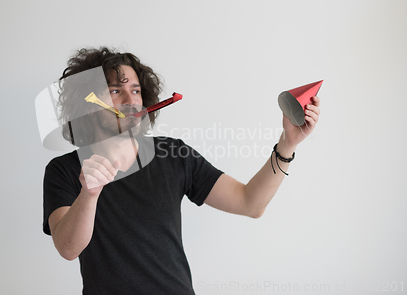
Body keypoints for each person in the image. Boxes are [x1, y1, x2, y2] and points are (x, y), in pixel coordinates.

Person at [42, 47, 321, 294]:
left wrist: (287, 143)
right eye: (116, 90)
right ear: (88, 103)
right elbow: (68, 248)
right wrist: (89, 195)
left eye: (136, 90)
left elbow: (251, 203)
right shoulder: (64, 170)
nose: (130, 99)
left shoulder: (173, 155)